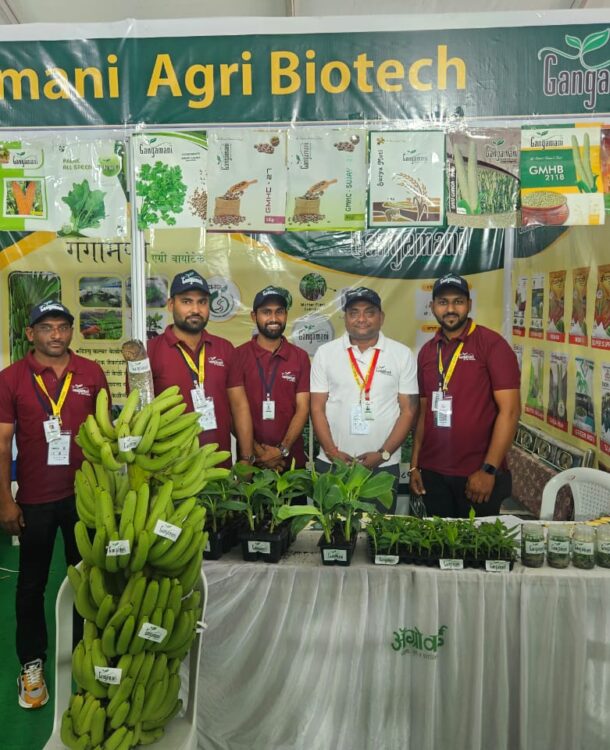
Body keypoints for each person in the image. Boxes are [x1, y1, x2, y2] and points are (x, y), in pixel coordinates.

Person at [0, 301, 109, 709]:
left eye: (63, 326)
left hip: (86, 497)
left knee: (88, 580)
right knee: (32, 585)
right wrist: (5, 501)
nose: (56, 334)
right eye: (46, 327)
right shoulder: (11, 379)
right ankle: (32, 663)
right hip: (35, 499)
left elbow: (105, 435)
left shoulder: (91, 373)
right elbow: (2, 444)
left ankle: (88, 653)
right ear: (31, 333)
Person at [409, 273, 521, 517]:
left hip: (477, 475)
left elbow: (510, 412)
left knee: (478, 541)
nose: (450, 309)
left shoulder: (492, 344)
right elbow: (424, 413)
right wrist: (415, 465)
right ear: (433, 307)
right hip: (433, 474)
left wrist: (489, 470)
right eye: (443, 302)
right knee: (436, 539)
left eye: (458, 301)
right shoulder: (427, 352)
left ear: (469, 305)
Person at [310, 286, 419, 513]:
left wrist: (383, 454)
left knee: (377, 531)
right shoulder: (325, 353)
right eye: (354, 313)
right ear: (345, 318)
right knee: (332, 529)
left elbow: (408, 411)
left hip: (383, 466)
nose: (361, 319)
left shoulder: (401, 355)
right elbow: (317, 408)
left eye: (369, 312)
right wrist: (332, 453)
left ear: (381, 317)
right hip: (333, 464)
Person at [148, 269, 254, 466]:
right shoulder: (150, 351)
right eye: (186, 301)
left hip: (218, 465)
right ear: (171, 305)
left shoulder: (224, 349)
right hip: (169, 469)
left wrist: (246, 459)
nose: (195, 309)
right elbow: (140, 415)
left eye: (202, 302)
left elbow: (239, 406)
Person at [234, 286, 310, 482]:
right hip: (251, 462)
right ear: (254, 316)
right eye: (266, 312)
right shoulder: (238, 356)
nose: (274, 318)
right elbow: (233, 410)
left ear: (286, 315)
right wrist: (260, 453)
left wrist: (282, 450)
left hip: (291, 463)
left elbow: (303, 408)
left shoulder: (300, 357)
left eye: (279, 312)